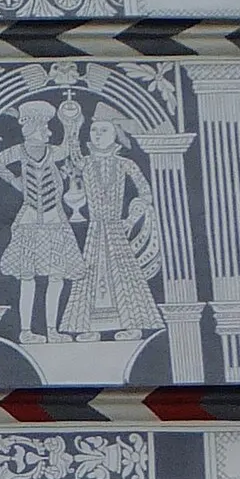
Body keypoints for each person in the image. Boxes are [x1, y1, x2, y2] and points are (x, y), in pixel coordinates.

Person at [61, 101, 159, 339]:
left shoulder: (126, 164)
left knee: (124, 276)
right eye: (94, 130)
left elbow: (145, 193)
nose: (97, 135)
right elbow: (73, 152)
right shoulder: (86, 162)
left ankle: (132, 325)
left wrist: (132, 217)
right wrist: (72, 124)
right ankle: (89, 327)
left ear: (115, 133)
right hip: (95, 228)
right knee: (90, 274)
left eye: (103, 130)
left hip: (117, 227)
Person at [0, 102, 83, 340]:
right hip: (30, 220)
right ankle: (26, 331)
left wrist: (70, 125)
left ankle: (52, 330)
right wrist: (14, 181)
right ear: (32, 128)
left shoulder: (51, 152)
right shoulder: (19, 151)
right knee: (28, 278)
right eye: (45, 128)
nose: (48, 132)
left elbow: (67, 149)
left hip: (54, 219)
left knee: (56, 276)